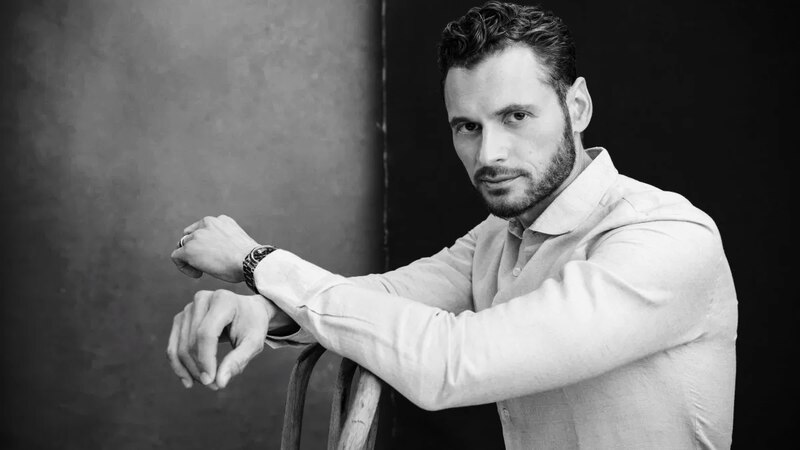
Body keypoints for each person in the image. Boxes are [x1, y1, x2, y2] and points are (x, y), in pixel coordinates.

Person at [166, 2, 737, 448]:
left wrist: (256, 262)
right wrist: (262, 306)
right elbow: (385, 299)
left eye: (516, 116)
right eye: (467, 127)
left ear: (578, 107)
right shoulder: (498, 237)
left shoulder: (666, 238)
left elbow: (449, 363)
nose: (489, 152)